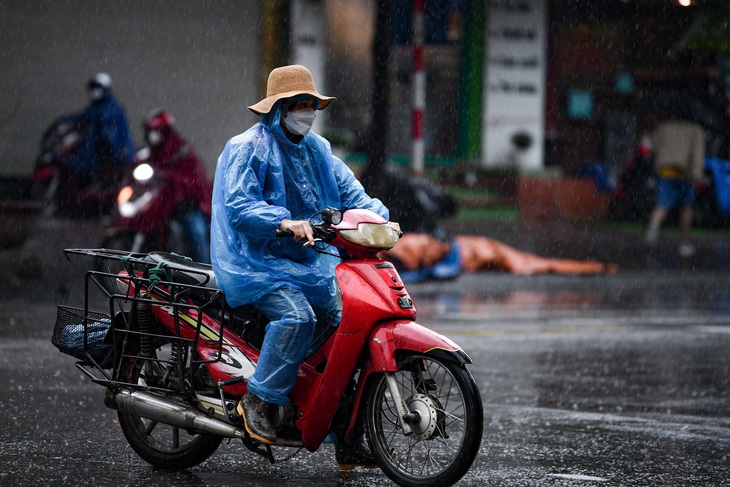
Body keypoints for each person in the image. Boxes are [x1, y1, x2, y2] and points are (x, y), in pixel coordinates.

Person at [210, 65, 396, 467]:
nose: (307, 113)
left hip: (307, 262)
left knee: (350, 328)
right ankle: (258, 399)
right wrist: (283, 222)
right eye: (299, 105)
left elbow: (353, 194)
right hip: (255, 262)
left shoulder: (318, 150)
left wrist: (382, 220)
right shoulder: (248, 147)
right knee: (298, 319)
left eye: (312, 106)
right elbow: (240, 208)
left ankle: (347, 432)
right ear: (278, 108)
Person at [383, 232, 617, 281]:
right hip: (473, 248)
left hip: (477, 249)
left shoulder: (403, 249)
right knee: (535, 263)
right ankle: (592, 267)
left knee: (535, 265)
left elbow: (418, 269)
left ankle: (593, 268)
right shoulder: (402, 244)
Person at [142, 109, 213, 263]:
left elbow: (195, 180)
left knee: (197, 233)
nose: (152, 135)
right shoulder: (152, 152)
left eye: (155, 131)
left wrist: (170, 179)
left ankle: (206, 277)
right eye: (150, 131)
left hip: (188, 205)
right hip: (164, 205)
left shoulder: (181, 150)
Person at [643, 116, 706, 257]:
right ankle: (684, 242)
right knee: (686, 207)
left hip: (666, 171)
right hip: (685, 172)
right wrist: (697, 174)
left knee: (662, 204)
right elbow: (697, 153)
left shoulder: (664, 127)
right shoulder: (695, 129)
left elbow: (654, 148)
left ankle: (653, 229)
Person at [71, 73, 135, 185]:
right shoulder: (95, 108)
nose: (94, 92)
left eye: (97, 88)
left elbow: (119, 134)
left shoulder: (112, 108)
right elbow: (81, 117)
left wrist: (122, 150)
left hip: (111, 152)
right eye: (93, 89)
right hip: (99, 150)